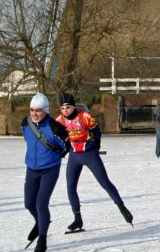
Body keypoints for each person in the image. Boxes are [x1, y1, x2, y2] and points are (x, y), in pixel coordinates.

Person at [55, 94, 133, 232]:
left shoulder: (85, 116)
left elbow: (96, 132)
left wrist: (95, 147)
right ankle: (77, 219)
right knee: (70, 187)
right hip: (74, 156)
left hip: (89, 154)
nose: (65, 110)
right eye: (62, 108)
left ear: (73, 106)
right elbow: (59, 138)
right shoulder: (59, 120)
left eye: (68, 107)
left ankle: (122, 207)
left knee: (104, 182)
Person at [21, 93, 69, 252]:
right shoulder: (26, 123)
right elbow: (28, 139)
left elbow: (65, 147)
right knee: (29, 203)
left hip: (50, 169)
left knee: (41, 203)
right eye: (32, 110)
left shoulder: (57, 128)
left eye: (38, 110)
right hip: (31, 168)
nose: (34, 113)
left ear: (46, 111)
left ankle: (42, 239)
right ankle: (40, 222)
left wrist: (52, 157)